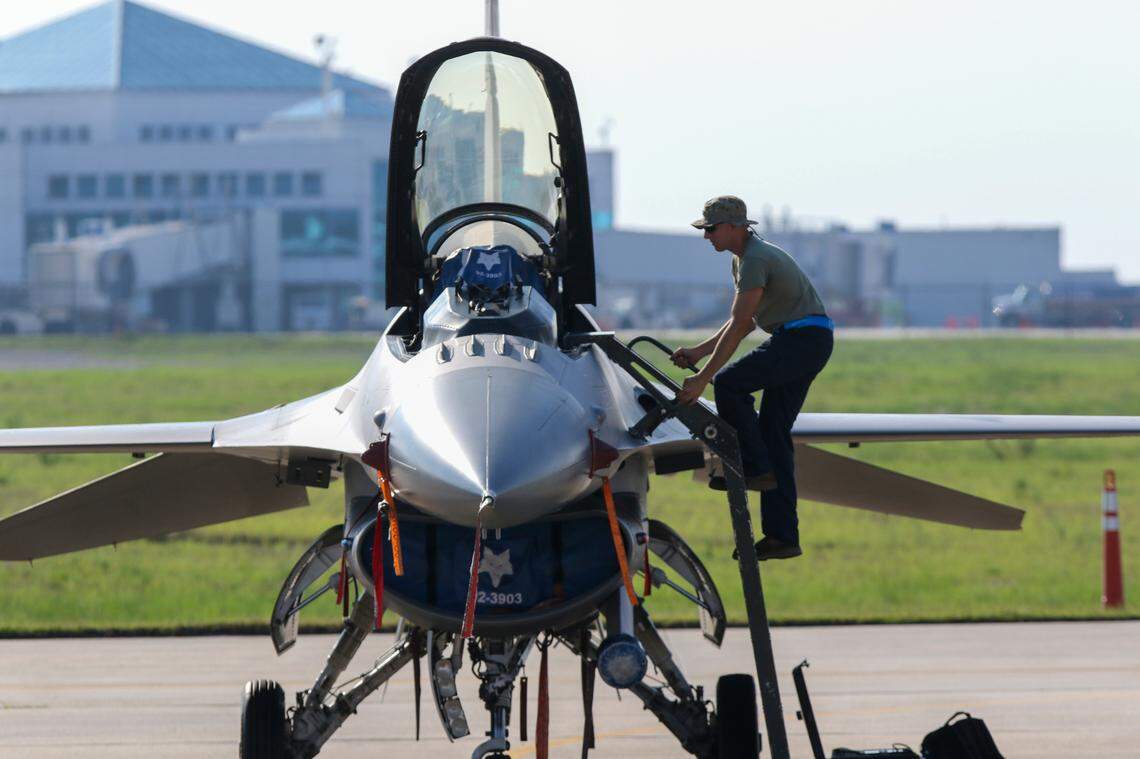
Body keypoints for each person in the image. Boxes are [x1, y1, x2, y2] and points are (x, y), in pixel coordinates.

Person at [672, 196, 833, 560]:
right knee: (775, 435)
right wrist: (699, 352)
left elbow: (743, 323)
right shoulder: (743, 260)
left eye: (710, 229)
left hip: (801, 340)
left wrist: (702, 379)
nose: (706, 236)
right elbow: (739, 322)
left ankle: (754, 467)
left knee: (728, 383)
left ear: (734, 227)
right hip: (807, 340)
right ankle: (782, 536)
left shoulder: (756, 260)